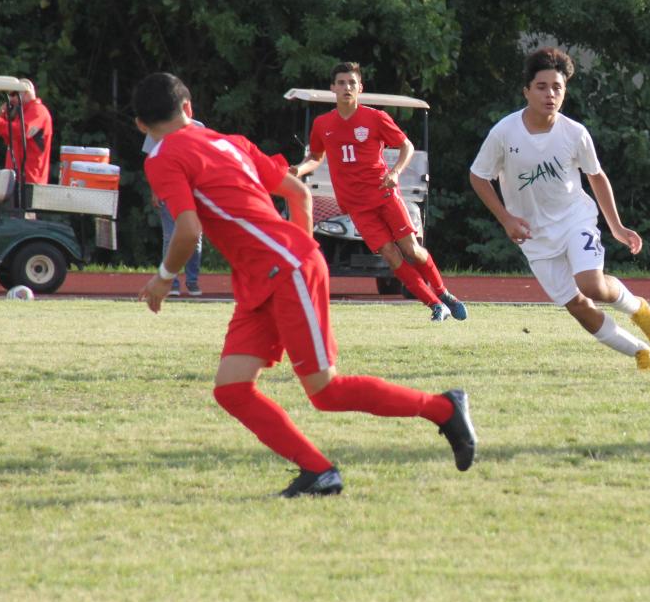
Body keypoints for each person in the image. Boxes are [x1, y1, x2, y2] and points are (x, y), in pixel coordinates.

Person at [134, 72, 475, 497]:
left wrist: (164, 279)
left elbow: (186, 231)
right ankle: (318, 471)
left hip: (284, 270)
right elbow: (299, 193)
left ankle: (444, 408)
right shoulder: (231, 142)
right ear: (189, 109)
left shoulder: (161, 158)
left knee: (326, 390)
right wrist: (299, 247)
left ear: (141, 126)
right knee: (232, 389)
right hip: (267, 276)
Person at [469, 47, 650, 371]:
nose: (550, 94)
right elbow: (477, 175)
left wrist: (616, 226)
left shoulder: (575, 133)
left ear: (565, 92)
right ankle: (638, 352)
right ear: (527, 91)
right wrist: (505, 219)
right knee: (578, 306)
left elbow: (596, 176)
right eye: (542, 87)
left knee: (592, 285)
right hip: (535, 238)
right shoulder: (504, 132)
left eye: (557, 87)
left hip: (576, 220)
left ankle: (637, 308)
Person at [292, 63, 466, 322]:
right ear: (332, 88)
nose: (346, 88)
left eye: (351, 83)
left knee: (412, 250)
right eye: (341, 83)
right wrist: (300, 169)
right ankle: (434, 305)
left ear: (360, 88)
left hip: (384, 196)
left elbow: (406, 146)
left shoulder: (375, 118)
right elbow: (316, 156)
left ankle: (444, 294)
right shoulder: (323, 123)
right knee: (389, 254)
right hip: (357, 206)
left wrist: (394, 173)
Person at [143, 123, 204, 297]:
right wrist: (155, 189)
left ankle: (192, 281)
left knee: (196, 236)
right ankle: (172, 282)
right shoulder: (157, 126)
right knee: (170, 237)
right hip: (169, 189)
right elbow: (151, 158)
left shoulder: (198, 127)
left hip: (194, 191)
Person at [0, 81, 53, 185]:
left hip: (30, 180)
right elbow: (11, 139)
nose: (10, 99)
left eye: (13, 94)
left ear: (25, 93)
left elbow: (21, 132)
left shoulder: (38, 110)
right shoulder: (22, 114)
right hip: (17, 179)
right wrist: (2, 117)